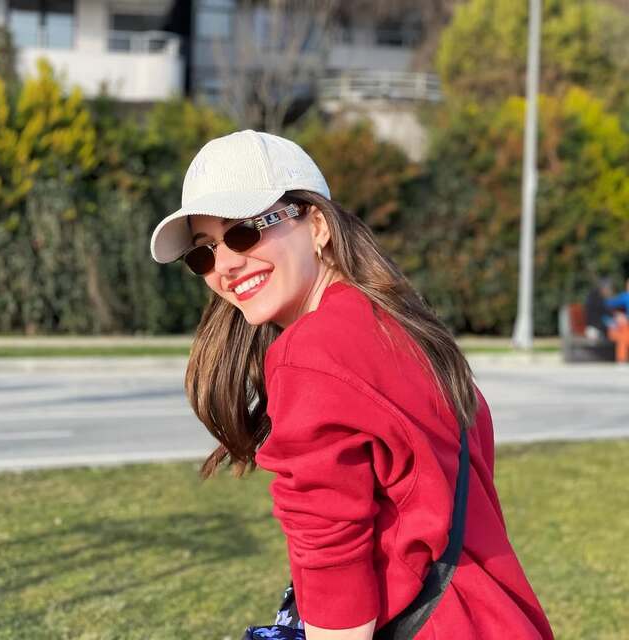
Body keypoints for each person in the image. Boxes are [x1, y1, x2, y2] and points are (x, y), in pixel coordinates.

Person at [150, 130, 554, 640]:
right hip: (495, 616)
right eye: (203, 254)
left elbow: (332, 570)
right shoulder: (400, 325)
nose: (224, 265)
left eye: (245, 232)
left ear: (317, 224)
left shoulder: (310, 352)